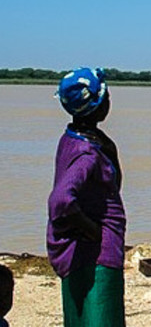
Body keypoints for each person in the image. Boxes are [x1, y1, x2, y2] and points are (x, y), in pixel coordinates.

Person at [47, 67, 126, 326]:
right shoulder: (87, 154)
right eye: (107, 97)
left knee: (80, 316)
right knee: (101, 316)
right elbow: (60, 201)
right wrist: (91, 228)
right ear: (98, 105)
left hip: (84, 251)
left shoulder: (73, 138)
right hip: (95, 256)